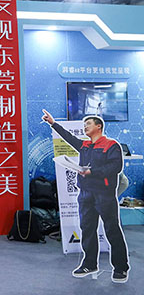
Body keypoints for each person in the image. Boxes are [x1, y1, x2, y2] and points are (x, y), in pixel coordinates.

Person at [42, 109, 129, 283]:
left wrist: (92, 172)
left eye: (88, 124)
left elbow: (115, 167)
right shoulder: (85, 145)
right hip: (85, 194)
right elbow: (68, 137)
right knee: (87, 229)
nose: (85, 127)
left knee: (112, 230)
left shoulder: (111, 145)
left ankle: (121, 268)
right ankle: (89, 264)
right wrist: (53, 123)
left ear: (99, 126)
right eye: (84, 124)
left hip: (104, 195)